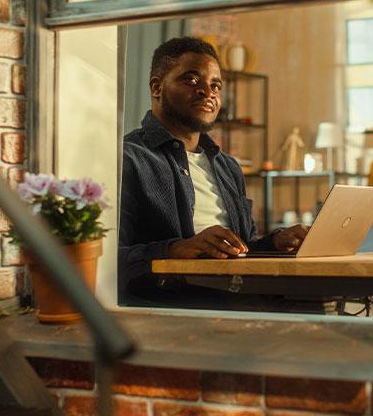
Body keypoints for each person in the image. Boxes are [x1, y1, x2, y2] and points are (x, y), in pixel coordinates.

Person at [119, 36, 309, 309]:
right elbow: (108, 259)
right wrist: (175, 249)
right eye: (192, 80)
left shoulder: (227, 166)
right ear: (157, 87)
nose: (207, 92)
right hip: (178, 304)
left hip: (240, 295)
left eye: (215, 85)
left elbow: (243, 250)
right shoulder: (128, 157)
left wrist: (276, 241)